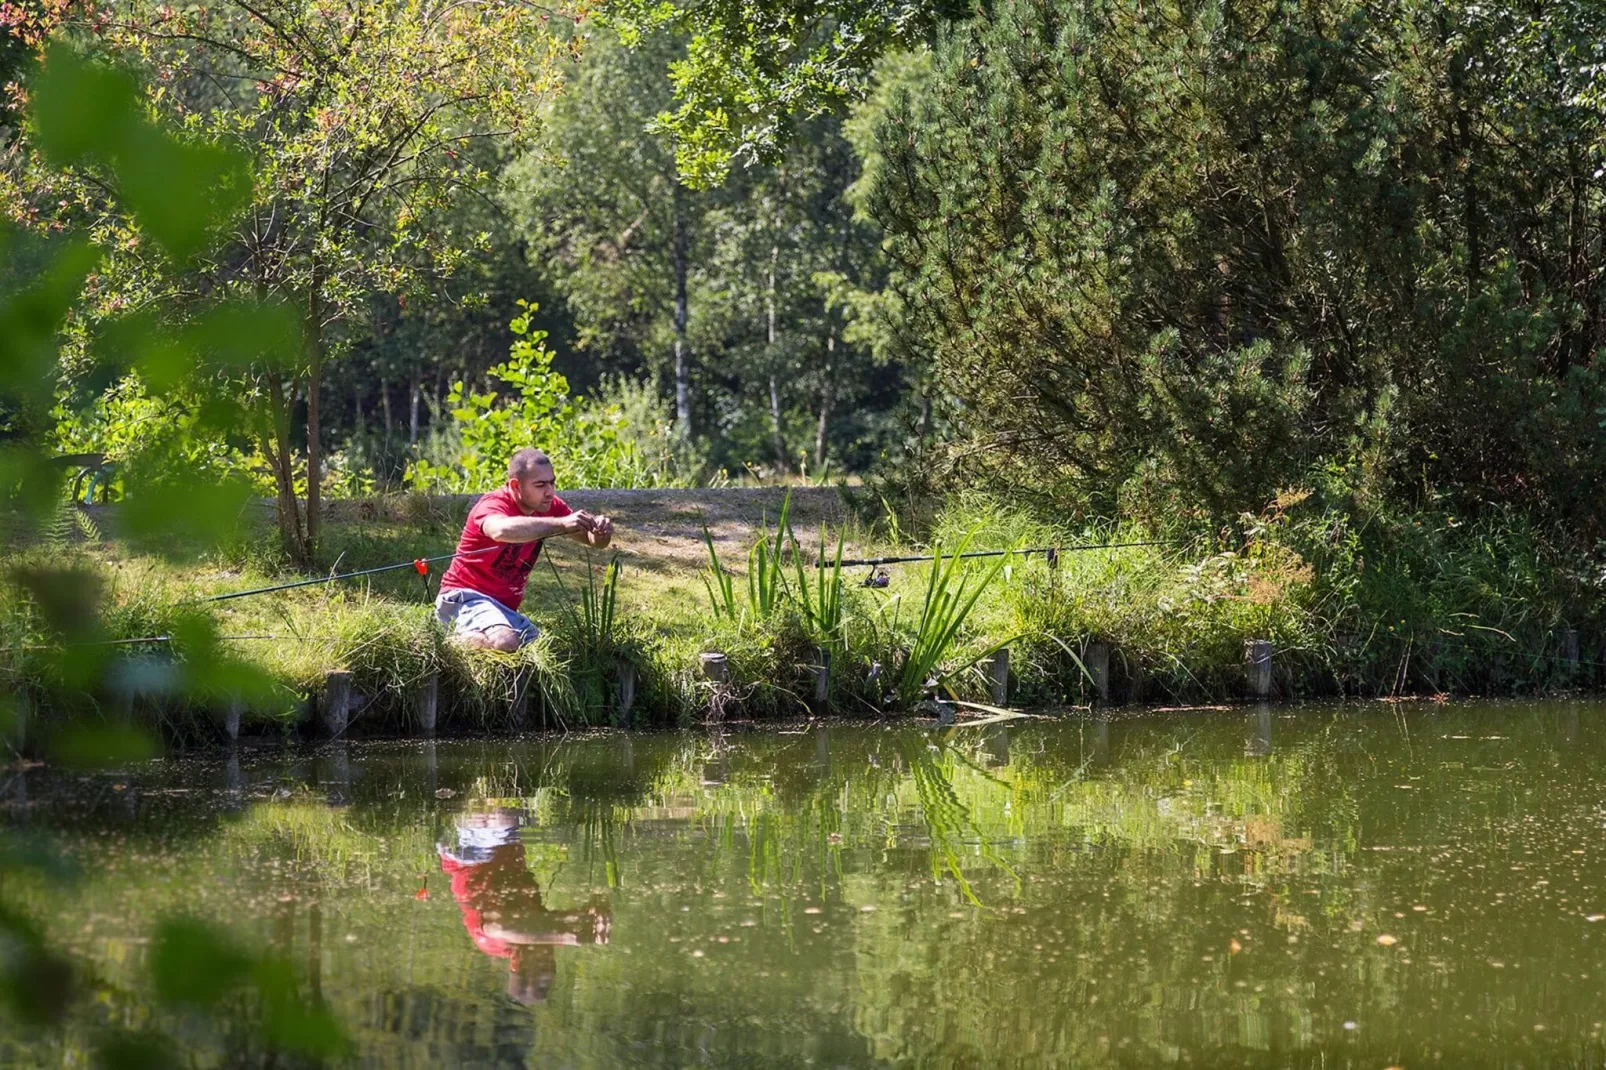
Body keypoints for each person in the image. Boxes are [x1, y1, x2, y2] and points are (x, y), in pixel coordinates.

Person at [435, 448, 615, 651]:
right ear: (515, 485)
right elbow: (500, 530)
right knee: (506, 642)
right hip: (464, 597)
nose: (550, 491)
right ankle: (440, 645)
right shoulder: (493, 504)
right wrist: (562, 524)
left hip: (503, 609)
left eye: (552, 482)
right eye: (540, 485)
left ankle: (474, 637)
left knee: (550, 650)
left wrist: (600, 534)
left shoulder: (549, 506)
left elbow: (592, 541)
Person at [437, 807, 611, 1005]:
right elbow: (548, 924)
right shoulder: (551, 934)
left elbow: (501, 926)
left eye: (540, 965)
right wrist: (595, 910)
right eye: (550, 965)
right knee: (569, 819)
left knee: (503, 817)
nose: (547, 957)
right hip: (508, 838)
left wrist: (569, 932)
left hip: (468, 851)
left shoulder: (494, 944)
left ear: (517, 963)